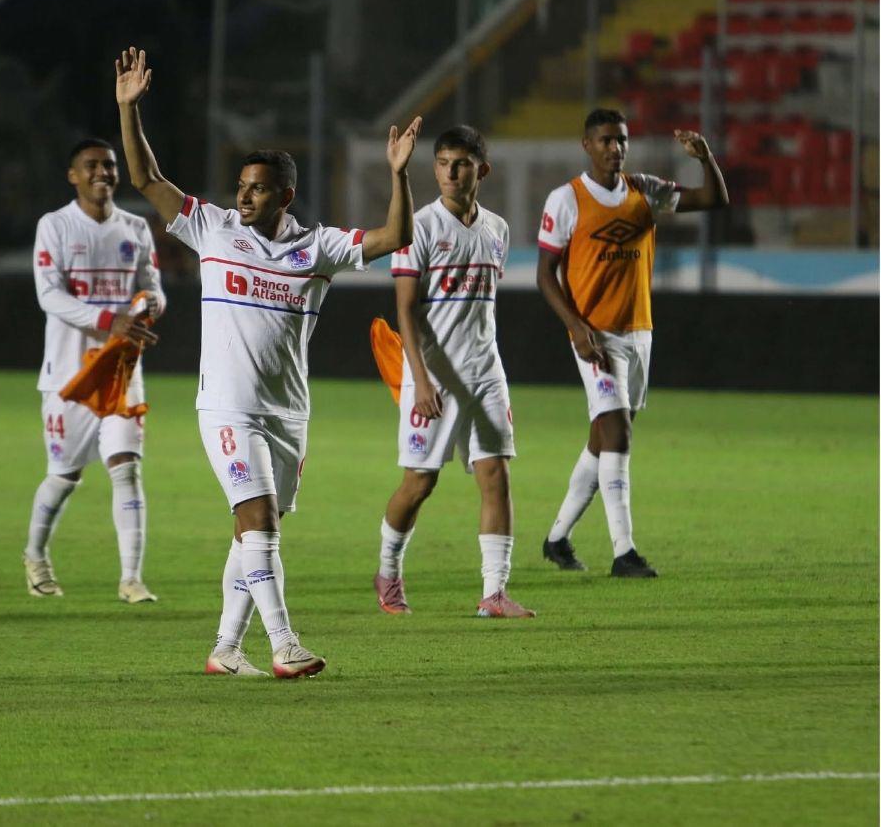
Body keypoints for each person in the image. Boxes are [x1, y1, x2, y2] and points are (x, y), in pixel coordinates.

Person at [115, 46, 421, 678]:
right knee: (259, 523)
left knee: (255, 531)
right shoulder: (213, 228)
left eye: (258, 188)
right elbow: (146, 180)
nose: (244, 195)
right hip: (226, 406)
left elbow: (395, 239)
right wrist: (129, 110)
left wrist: (398, 175)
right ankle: (284, 643)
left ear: (285, 194)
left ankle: (226, 649)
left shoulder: (318, 247)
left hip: (289, 414)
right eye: (242, 185)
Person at [536, 110, 728, 577]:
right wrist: (576, 328)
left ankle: (556, 539)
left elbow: (714, 200)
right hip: (596, 336)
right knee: (620, 433)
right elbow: (545, 276)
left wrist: (705, 159)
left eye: (621, 140)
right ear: (587, 145)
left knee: (602, 442)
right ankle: (624, 553)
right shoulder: (566, 200)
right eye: (605, 140)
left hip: (639, 333)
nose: (614, 148)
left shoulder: (645, 189)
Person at [373, 126, 534, 619]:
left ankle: (494, 593)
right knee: (420, 483)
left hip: (486, 370)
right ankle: (388, 570)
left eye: (460, 163)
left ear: (481, 170)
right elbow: (405, 310)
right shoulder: (418, 226)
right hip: (435, 376)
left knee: (495, 475)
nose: (449, 172)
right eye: (442, 162)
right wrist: (420, 379)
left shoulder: (498, 230)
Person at [24, 138, 164, 604]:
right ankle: (36, 556)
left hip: (122, 373)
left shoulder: (136, 227)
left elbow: (153, 289)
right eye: (92, 166)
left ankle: (131, 578)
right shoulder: (56, 226)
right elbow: (50, 295)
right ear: (73, 176)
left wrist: (147, 307)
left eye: (109, 165)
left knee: (126, 468)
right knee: (64, 477)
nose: (102, 172)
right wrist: (110, 319)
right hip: (69, 376)